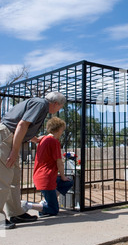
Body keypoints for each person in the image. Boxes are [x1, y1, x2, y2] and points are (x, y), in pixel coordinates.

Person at [0, 92, 66, 229]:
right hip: (7, 137)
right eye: (60, 106)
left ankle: (16, 212)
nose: (59, 110)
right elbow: (22, 125)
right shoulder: (41, 104)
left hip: (13, 139)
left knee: (14, 179)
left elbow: (25, 127)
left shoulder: (39, 106)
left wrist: (35, 139)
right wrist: (13, 151)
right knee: (3, 179)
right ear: (56, 104)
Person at [22, 117, 73, 217]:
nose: (62, 132)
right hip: (47, 178)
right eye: (62, 130)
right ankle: (28, 205)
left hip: (40, 176)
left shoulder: (43, 139)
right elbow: (59, 162)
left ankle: (44, 205)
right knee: (54, 210)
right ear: (58, 129)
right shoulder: (54, 142)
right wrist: (62, 176)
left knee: (69, 182)